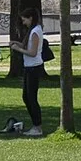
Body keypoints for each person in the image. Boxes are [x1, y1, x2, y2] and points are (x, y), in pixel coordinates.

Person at [18, 10, 49, 138]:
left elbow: (33, 52)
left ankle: (38, 126)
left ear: (31, 18)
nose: (23, 23)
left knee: (31, 98)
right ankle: (35, 125)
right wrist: (16, 44)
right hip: (28, 67)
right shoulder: (32, 31)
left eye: (24, 20)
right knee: (26, 97)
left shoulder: (36, 31)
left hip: (34, 68)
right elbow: (27, 46)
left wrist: (17, 49)